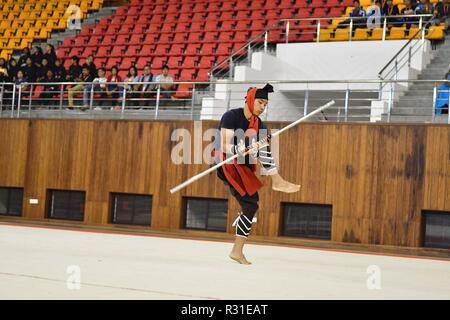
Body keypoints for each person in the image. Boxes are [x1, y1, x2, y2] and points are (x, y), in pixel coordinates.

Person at [214, 84, 301, 265]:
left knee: (251, 206)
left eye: (265, 105)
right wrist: (241, 148)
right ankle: (277, 181)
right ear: (251, 100)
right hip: (227, 164)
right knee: (250, 204)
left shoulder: (259, 124)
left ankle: (237, 251)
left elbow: (261, 152)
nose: (263, 107)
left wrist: (255, 147)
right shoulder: (231, 116)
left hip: (244, 163)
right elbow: (223, 145)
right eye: (260, 102)